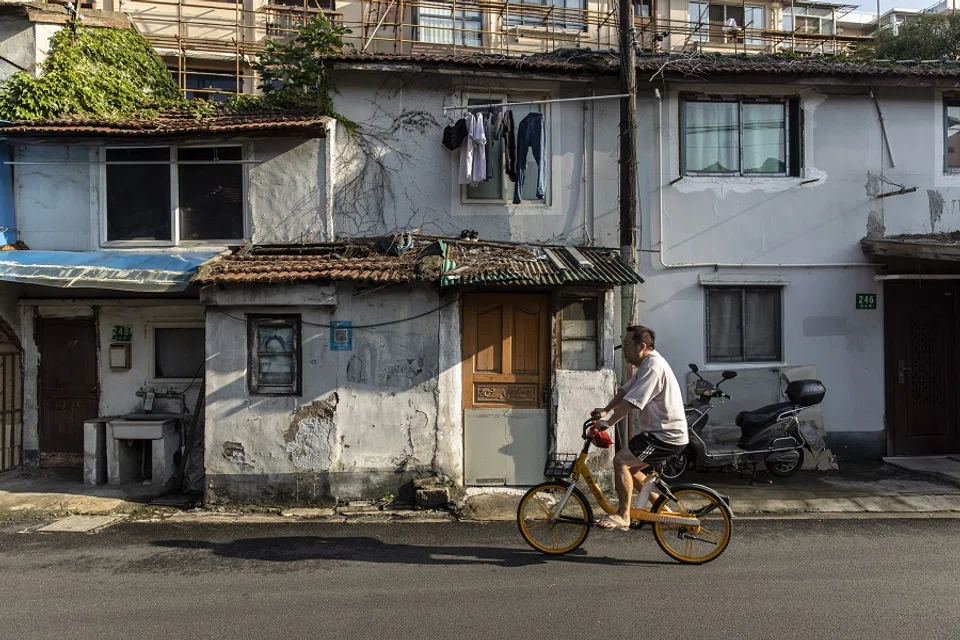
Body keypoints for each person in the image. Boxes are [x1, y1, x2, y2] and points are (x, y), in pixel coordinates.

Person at [592, 325, 688, 531]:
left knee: (621, 462)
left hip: (665, 435)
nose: (623, 349)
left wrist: (608, 423)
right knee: (633, 471)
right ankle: (663, 511)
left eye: (627, 344)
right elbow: (626, 391)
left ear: (641, 346)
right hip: (658, 433)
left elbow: (632, 402)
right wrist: (605, 410)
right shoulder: (647, 364)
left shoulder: (653, 366)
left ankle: (623, 515)